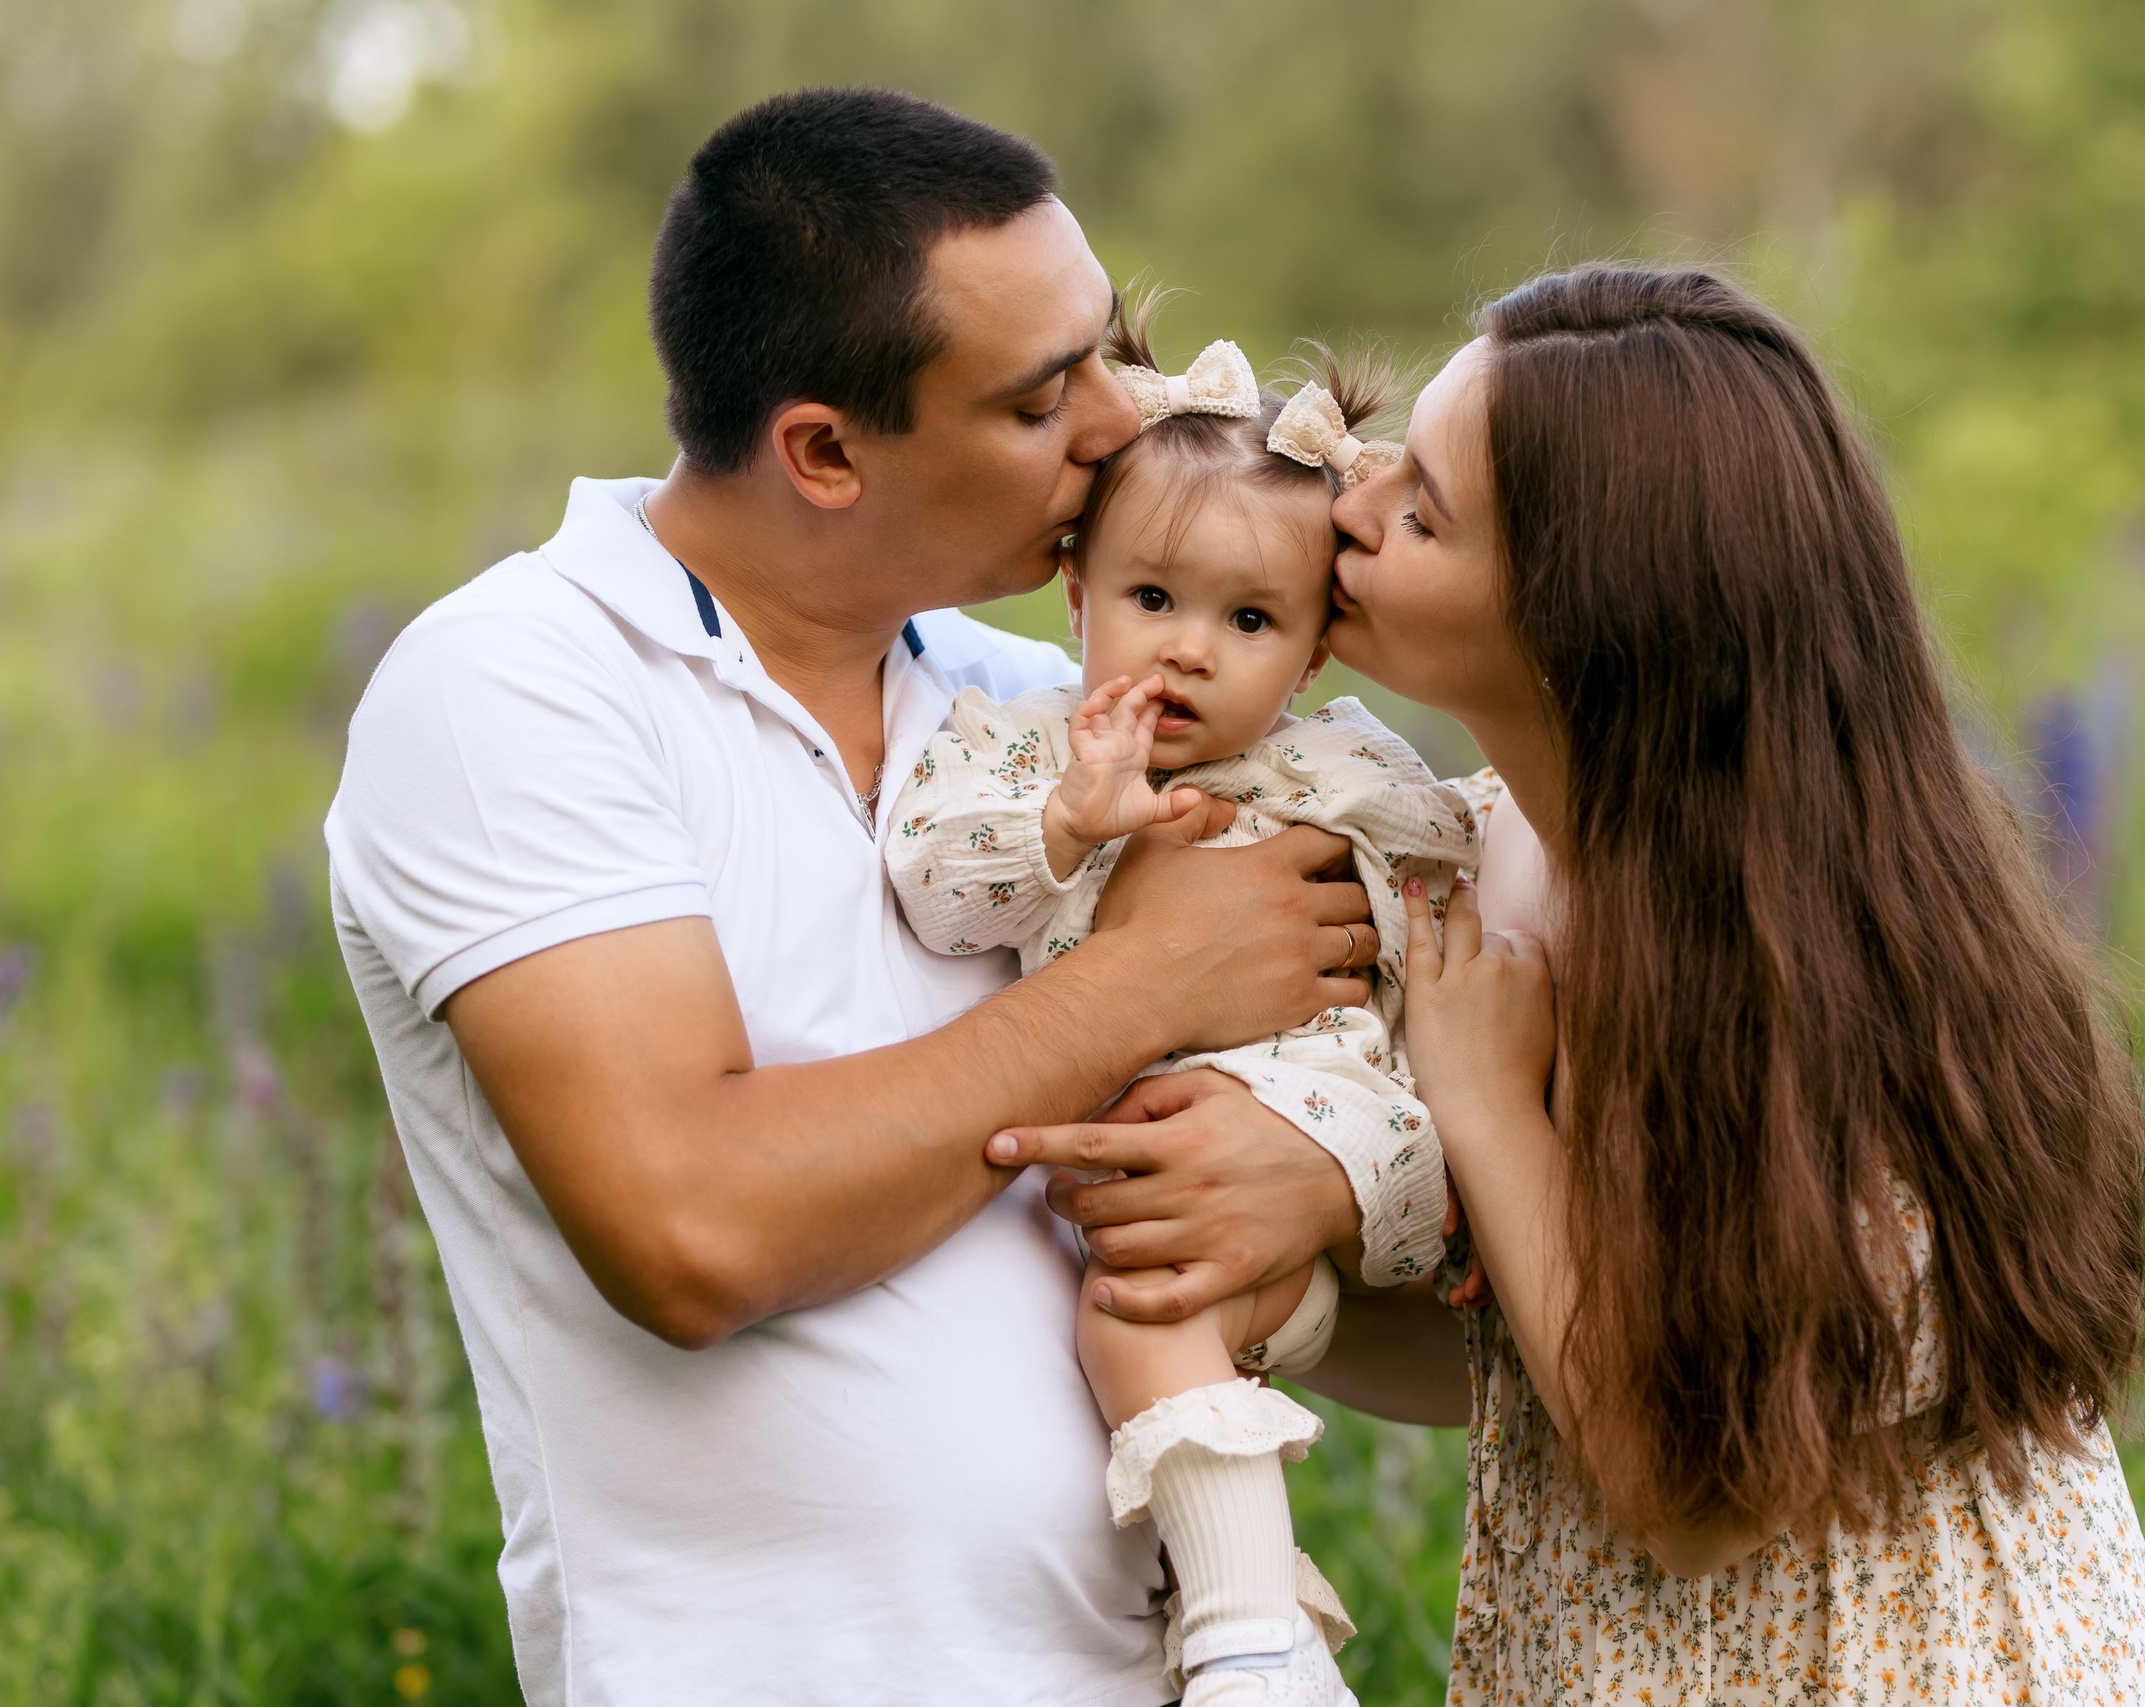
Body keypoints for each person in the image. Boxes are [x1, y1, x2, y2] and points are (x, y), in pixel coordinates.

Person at [1000, 264, 2145, 1702]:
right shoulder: (1476, 855)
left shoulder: (1807, 976)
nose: (1352, 501)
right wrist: (1277, 1278)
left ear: (1588, 618)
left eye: (1424, 510)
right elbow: (1531, 1367)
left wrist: (1488, 1104)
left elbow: (1695, 1492)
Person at [324, 88, 1391, 1707]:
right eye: (1046, 400)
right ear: (824, 450)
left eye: (1109, 352)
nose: (1123, 423)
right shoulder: (516, 689)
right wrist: (1147, 980)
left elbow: (1363, 1266)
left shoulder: (1041, 699)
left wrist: (1304, 1189)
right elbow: (692, 1229)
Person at [885, 298, 1474, 1705]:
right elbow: (933, 889)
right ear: (1075, 593)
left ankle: (1244, 1632)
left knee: (1137, 1302)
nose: (1190, 650)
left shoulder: (1339, 764)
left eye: (1250, 618)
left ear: (1314, 654)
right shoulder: (1027, 750)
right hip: (1163, 1200)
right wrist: (1066, 832)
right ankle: (1253, 1643)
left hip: (1341, 1137)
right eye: (1153, 600)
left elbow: (1450, 865)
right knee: (1133, 1309)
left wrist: (1385, 892)